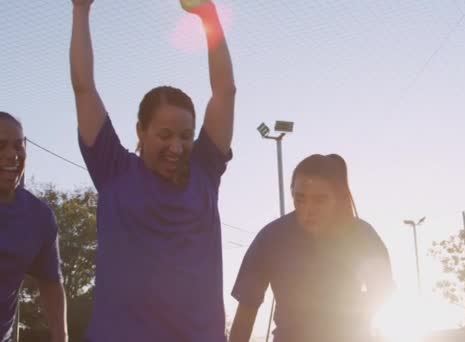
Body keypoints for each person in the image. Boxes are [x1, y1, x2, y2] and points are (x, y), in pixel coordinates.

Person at [69, 0, 235, 341]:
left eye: (186, 136)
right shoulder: (113, 168)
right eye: (165, 135)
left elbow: (224, 92)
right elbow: (84, 87)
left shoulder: (204, 170)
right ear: (140, 132)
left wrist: (209, 15)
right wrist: (81, 10)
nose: (177, 146)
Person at [229, 154, 394, 342]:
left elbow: (383, 290)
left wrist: (349, 319)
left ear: (338, 198)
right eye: (300, 199)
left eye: (320, 200)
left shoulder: (362, 236)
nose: (308, 209)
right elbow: (247, 309)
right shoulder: (271, 238)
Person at [0, 112, 67, 342]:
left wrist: (62, 337)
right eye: (1, 145)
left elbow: (50, 282)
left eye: (18, 146)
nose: (12, 155)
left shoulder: (39, 217)